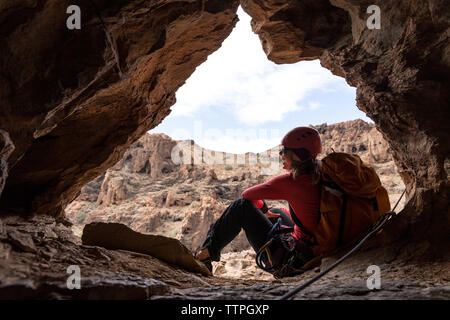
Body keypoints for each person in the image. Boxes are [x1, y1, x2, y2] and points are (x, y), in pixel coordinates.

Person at [195, 127, 322, 277]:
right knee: (277, 212)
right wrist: (267, 212)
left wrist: (262, 208)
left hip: (294, 259)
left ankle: (206, 253)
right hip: (315, 246)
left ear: (297, 154)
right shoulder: (321, 172)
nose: (281, 154)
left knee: (241, 207)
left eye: (284, 150)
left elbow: (246, 195)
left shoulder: (291, 181)